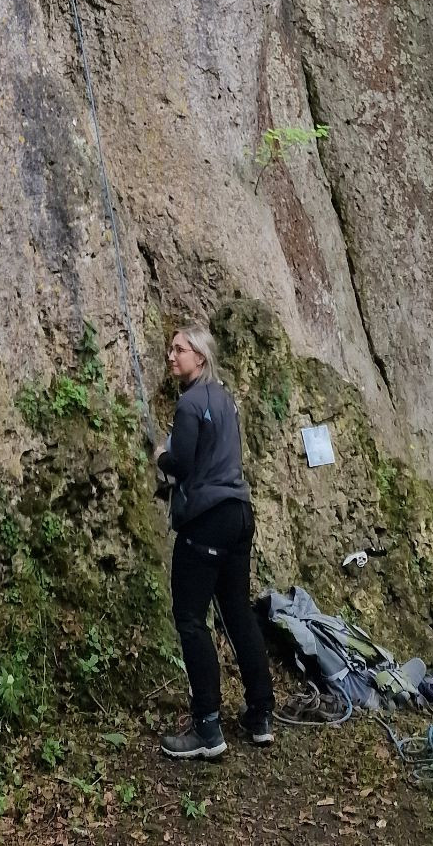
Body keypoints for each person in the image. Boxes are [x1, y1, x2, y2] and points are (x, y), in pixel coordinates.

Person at [157, 326, 275, 761]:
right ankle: (260, 713)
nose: (171, 356)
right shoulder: (225, 400)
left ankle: (207, 727)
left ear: (200, 358)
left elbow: (183, 464)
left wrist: (160, 458)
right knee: (237, 611)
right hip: (239, 514)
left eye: (179, 350)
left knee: (191, 618)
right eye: (170, 349)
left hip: (207, 520)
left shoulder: (190, 403)